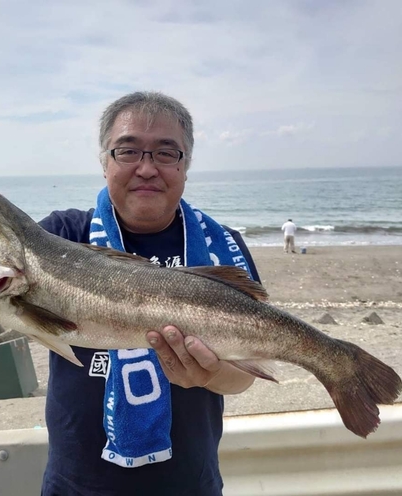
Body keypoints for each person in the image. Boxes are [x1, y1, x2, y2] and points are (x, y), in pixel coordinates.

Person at [39, 91, 262, 496]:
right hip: (75, 486)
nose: (146, 168)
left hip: (191, 485)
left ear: (185, 166)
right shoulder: (61, 238)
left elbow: (243, 378)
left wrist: (209, 374)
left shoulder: (221, 247)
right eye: (127, 151)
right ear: (104, 161)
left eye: (165, 153)